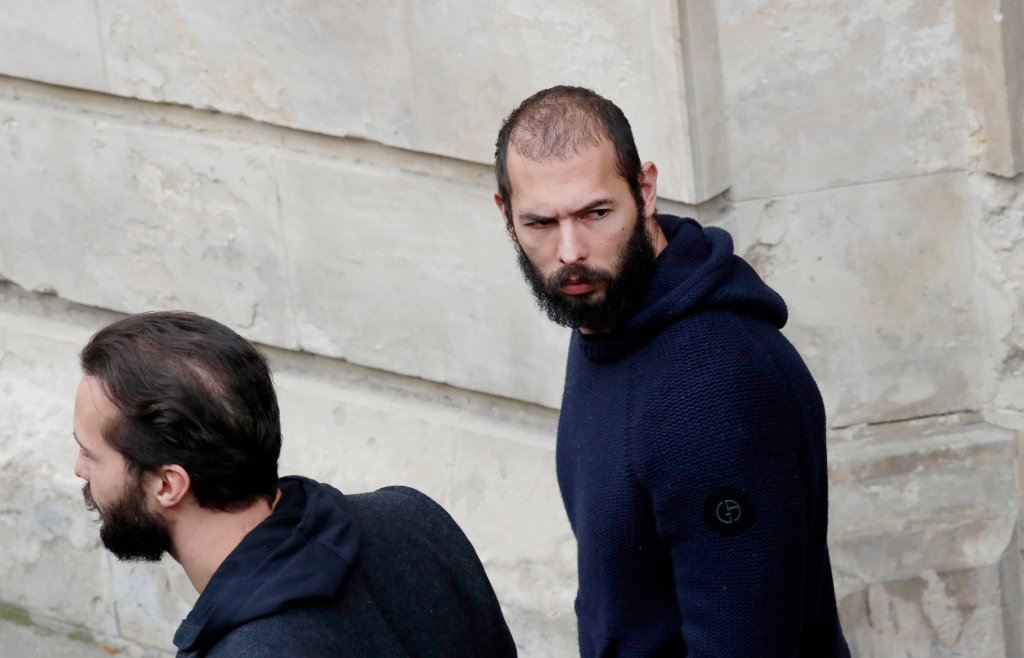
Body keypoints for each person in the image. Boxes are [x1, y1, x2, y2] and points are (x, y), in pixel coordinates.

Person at [493, 85, 849, 656]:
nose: (570, 251)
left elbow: (746, 643)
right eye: (539, 223)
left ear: (645, 189)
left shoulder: (716, 384)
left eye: (596, 213)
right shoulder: (604, 315)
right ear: (505, 214)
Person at [72, 311, 517, 658]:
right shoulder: (412, 519)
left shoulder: (251, 650)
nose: (79, 469)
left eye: (91, 453)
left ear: (168, 484)